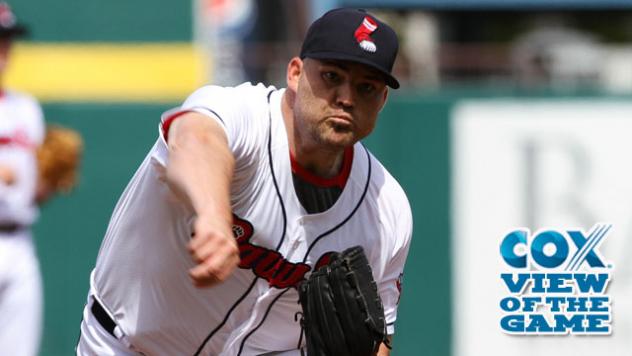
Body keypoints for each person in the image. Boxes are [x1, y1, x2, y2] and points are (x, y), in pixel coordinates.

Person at [77, 8, 412, 356]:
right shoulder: (241, 113)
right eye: (331, 76)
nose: (347, 98)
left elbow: (378, 337)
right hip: (129, 345)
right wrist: (212, 216)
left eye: (366, 88)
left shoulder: (386, 208)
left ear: (382, 101)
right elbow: (195, 140)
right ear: (295, 74)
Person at [0, 3, 45, 356]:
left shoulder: (26, 108)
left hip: (19, 242)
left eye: (7, 41)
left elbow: (32, 191)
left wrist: (47, 182)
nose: (4, 50)